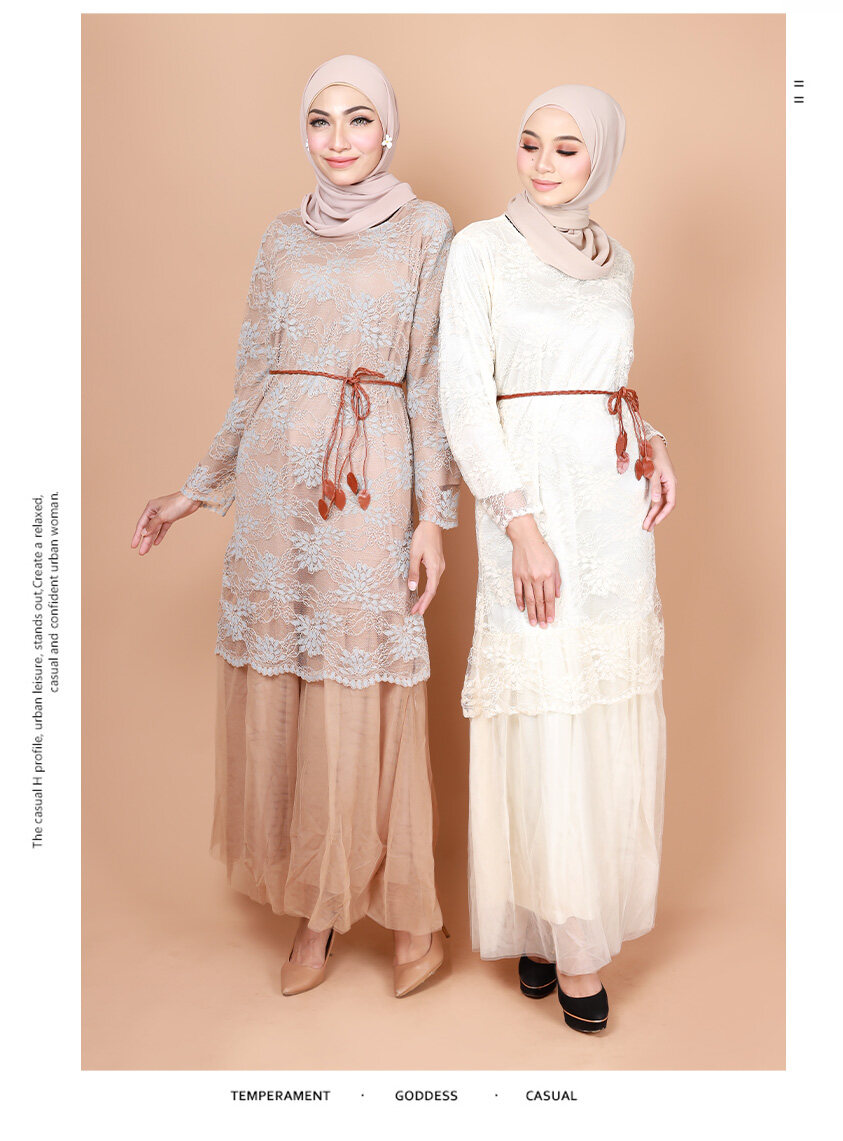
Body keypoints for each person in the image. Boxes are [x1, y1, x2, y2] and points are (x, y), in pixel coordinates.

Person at [131, 55, 459, 998]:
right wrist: (197, 490)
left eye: (358, 119)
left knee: (360, 679)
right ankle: (316, 909)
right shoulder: (281, 237)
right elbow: (252, 377)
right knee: (296, 679)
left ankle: (411, 912)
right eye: (321, 120)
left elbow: (430, 381)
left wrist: (432, 518)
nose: (339, 139)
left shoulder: (426, 229)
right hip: (277, 483)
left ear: (387, 130)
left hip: (367, 477)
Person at [438, 84, 677, 1033]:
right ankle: (564, 937)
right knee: (541, 705)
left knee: (599, 704)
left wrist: (652, 441)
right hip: (529, 507)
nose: (542, 163)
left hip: (612, 511)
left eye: (566, 148)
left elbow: (604, 382)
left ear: (599, 159)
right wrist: (518, 525)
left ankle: (559, 925)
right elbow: (465, 395)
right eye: (530, 142)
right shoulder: (479, 249)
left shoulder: (616, 259)